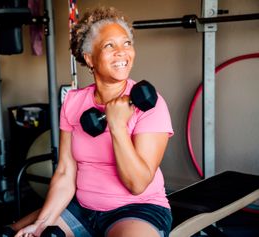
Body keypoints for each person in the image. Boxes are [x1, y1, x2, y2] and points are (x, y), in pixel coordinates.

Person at [10, 6, 173, 237]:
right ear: (89, 58)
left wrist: (117, 127)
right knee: (12, 234)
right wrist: (42, 223)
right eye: (109, 45)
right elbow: (66, 171)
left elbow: (137, 184)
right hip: (82, 208)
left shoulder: (150, 103)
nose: (122, 52)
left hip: (138, 210)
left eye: (127, 43)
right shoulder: (74, 102)